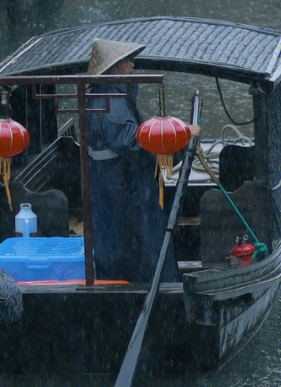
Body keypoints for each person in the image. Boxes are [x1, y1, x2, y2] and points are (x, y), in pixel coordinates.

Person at [84, 38, 197, 285]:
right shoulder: (112, 106)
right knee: (142, 249)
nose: (133, 65)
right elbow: (138, 146)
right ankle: (152, 287)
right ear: (114, 68)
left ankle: (129, 281)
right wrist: (182, 139)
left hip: (114, 195)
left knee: (118, 248)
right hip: (125, 196)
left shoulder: (109, 99)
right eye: (127, 61)